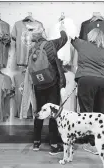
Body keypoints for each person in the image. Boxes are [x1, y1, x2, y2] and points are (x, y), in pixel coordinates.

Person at [69, 27, 104, 155]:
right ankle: (102, 143)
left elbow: (70, 37)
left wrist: (64, 24)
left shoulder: (82, 44)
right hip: (103, 81)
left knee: (87, 113)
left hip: (87, 80)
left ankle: (92, 143)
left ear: (90, 36)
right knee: (100, 112)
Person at [31, 22, 68, 155]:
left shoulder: (33, 48)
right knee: (53, 112)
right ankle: (53, 144)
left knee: (39, 112)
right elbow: (64, 39)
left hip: (38, 84)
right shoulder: (50, 44)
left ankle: (36, 142)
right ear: (43, 32)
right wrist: (63, 30)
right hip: (51, 83)